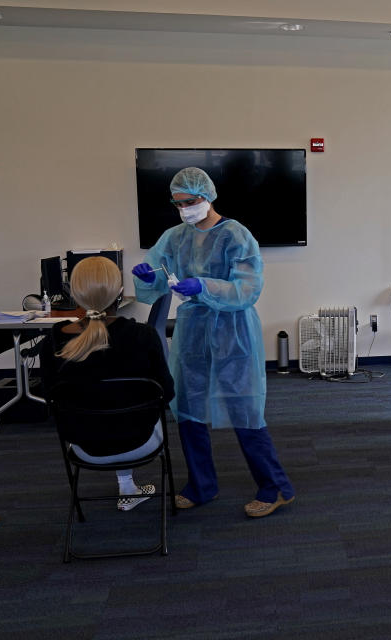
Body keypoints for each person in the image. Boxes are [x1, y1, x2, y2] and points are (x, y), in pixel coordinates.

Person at [131, 167, 295, 517]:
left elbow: (247, 289)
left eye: (190, 202)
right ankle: (201, 486)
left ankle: (275, 487)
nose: (184, 209)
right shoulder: (175, 237)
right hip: (193, 331)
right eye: (177, 203)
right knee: (188, 409)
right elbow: (158, 273)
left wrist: (204, 286)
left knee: (244, 409)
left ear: (208, 196)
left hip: (233, 330)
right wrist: (148, 275)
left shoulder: (236, 235)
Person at [40, 256, 175, 511]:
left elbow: (50, 400)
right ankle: (128, 486)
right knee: (129, 409)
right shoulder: (143, 337)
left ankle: (127, 487)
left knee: (103, 411)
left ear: (74, 294)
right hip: (140, 441)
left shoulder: (53, 342)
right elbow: (167, 394)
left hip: (84, 446)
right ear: (120, 293)